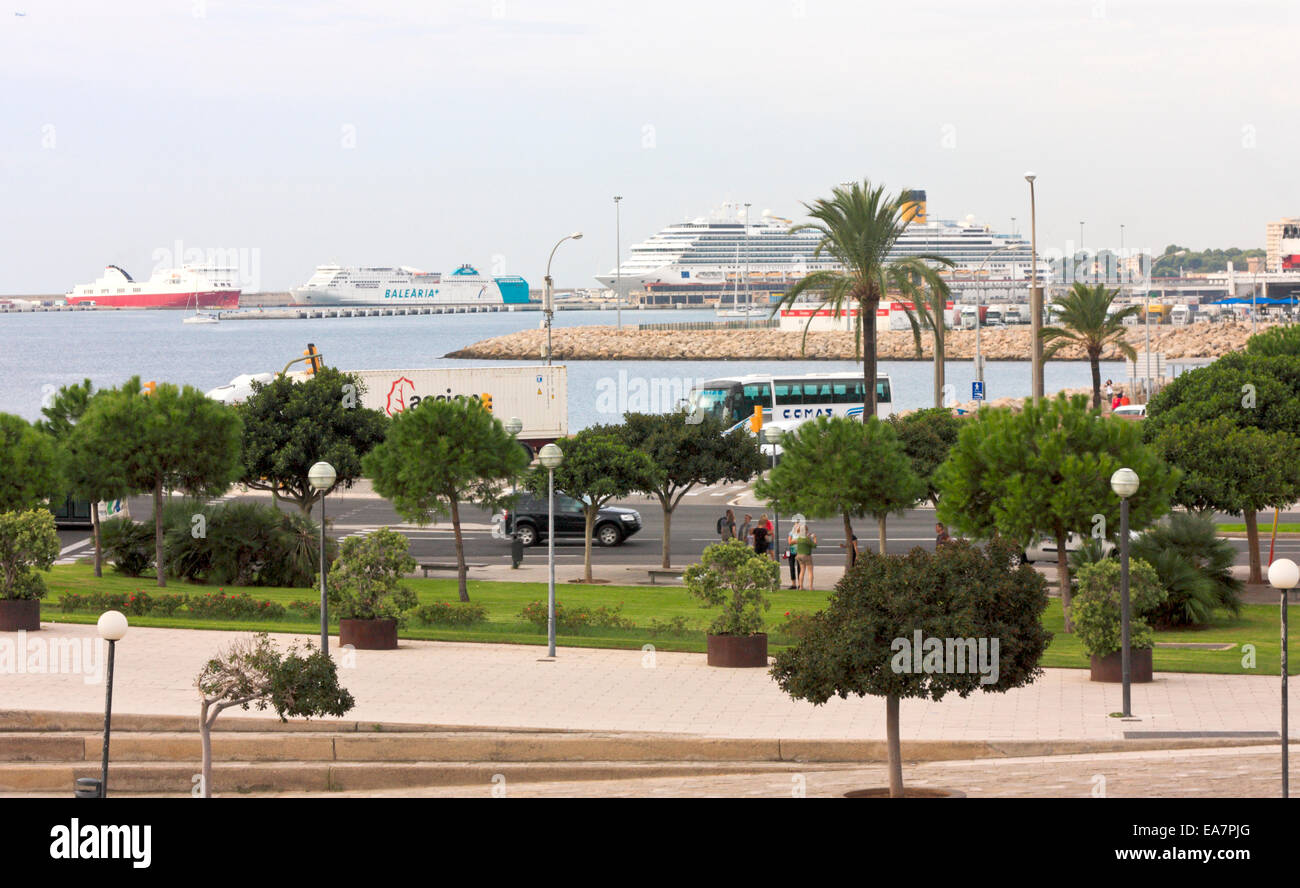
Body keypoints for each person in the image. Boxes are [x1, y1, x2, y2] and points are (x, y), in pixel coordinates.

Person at [795, 522, 817, 590]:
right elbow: (814, 545)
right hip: (806, 556)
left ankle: (800, 586)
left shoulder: (799, 538)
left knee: (802, 571)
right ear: (806, 531)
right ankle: (810, 587)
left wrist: (808, 536)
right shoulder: (807, 539)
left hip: (799, 556)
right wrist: (814, 538)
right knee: (810, 571)